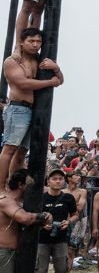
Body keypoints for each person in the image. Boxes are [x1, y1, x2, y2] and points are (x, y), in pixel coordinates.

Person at [1, 27, 63, 181]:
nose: (35, 44)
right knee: (9, 149)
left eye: (38, 41)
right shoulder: (13, 60)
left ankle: (12, 182)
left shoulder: (40, 60)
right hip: (18, 108)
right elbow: (23, 83)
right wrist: (50, 81)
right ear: (22, 43)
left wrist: (56, 68)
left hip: (33, 110)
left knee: (22, 151)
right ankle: (1, 187)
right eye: (31, 41)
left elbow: (60, 80)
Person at [30, 166, 76, 273]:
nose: (58, 181)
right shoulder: (41, 198)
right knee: (41, 272)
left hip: (61, 240)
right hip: (42, 240)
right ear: (48, 181)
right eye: (54, 179)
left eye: (60, 179)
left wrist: (68, 222)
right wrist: (43, 225)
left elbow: (75, 214)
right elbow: (32, 217)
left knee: (62, 271)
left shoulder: (68, 197)